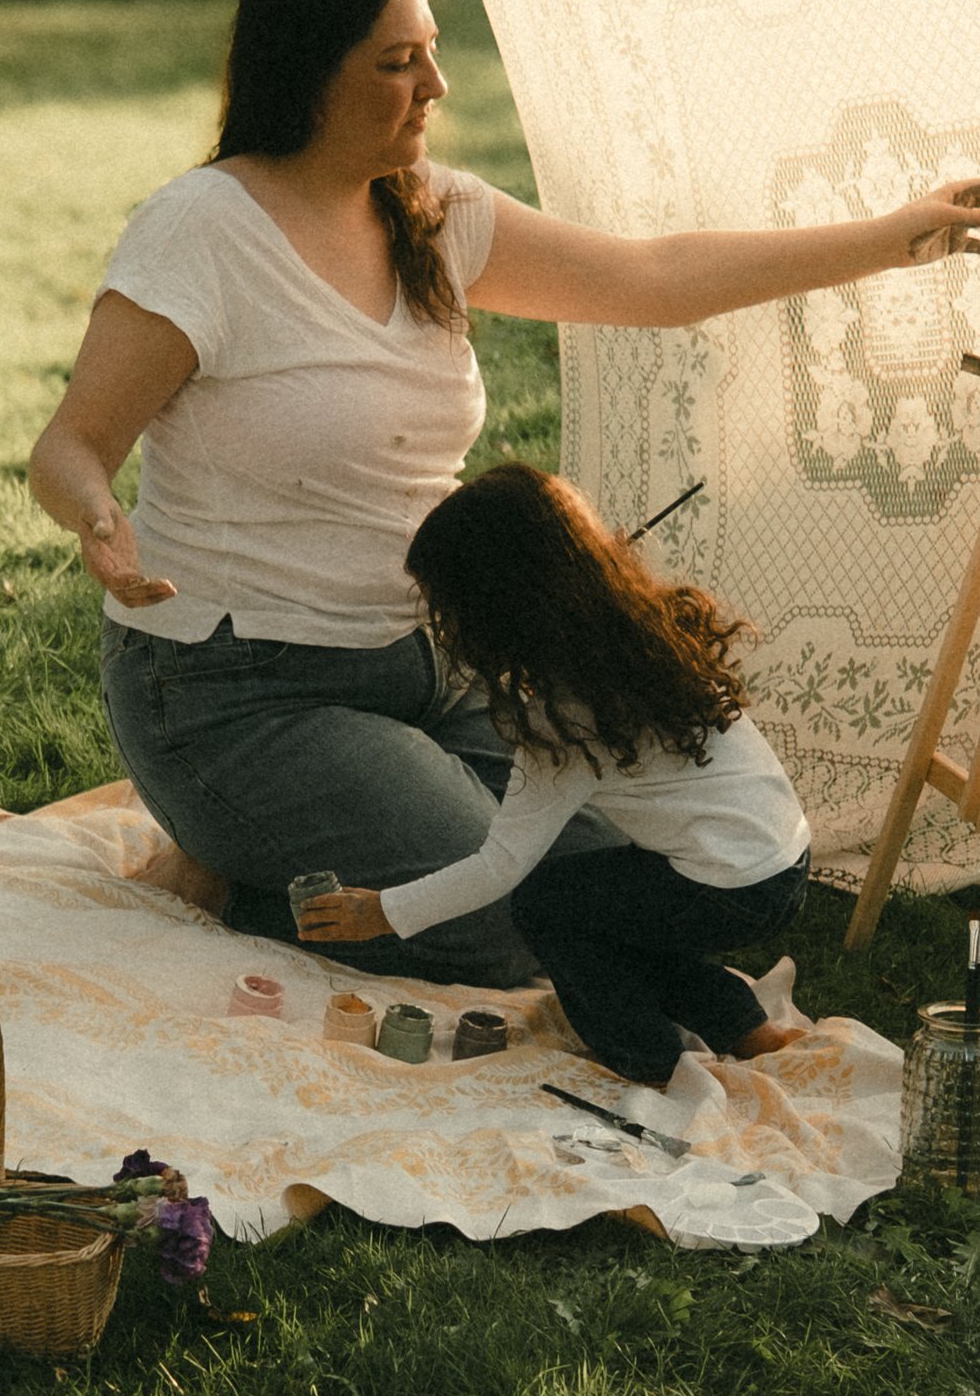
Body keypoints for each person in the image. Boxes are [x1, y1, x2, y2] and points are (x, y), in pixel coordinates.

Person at [27, 0, 980, 986]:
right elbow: (72, 442)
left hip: (439, 666)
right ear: (309, 72)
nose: (435, 83)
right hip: (237, 689)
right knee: (508, 928)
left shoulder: (437, 212)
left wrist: (891, 233)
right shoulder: (200, 233)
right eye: (397, 63)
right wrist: (99, 520)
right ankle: (237, 868)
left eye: (431, 51)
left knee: (640, 877)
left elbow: (651, 279)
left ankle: (288, 842)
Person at [297, 466, 809, 1098]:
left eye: (446, 606)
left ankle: (648, 1063)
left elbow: (500, 864)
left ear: (493, 611)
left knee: (550, 906)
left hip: (727, 885)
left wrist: (383, 911)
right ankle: (743, 1026)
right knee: (604, 906)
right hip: (779, 859)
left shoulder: (566, 716)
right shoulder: (646, 631)